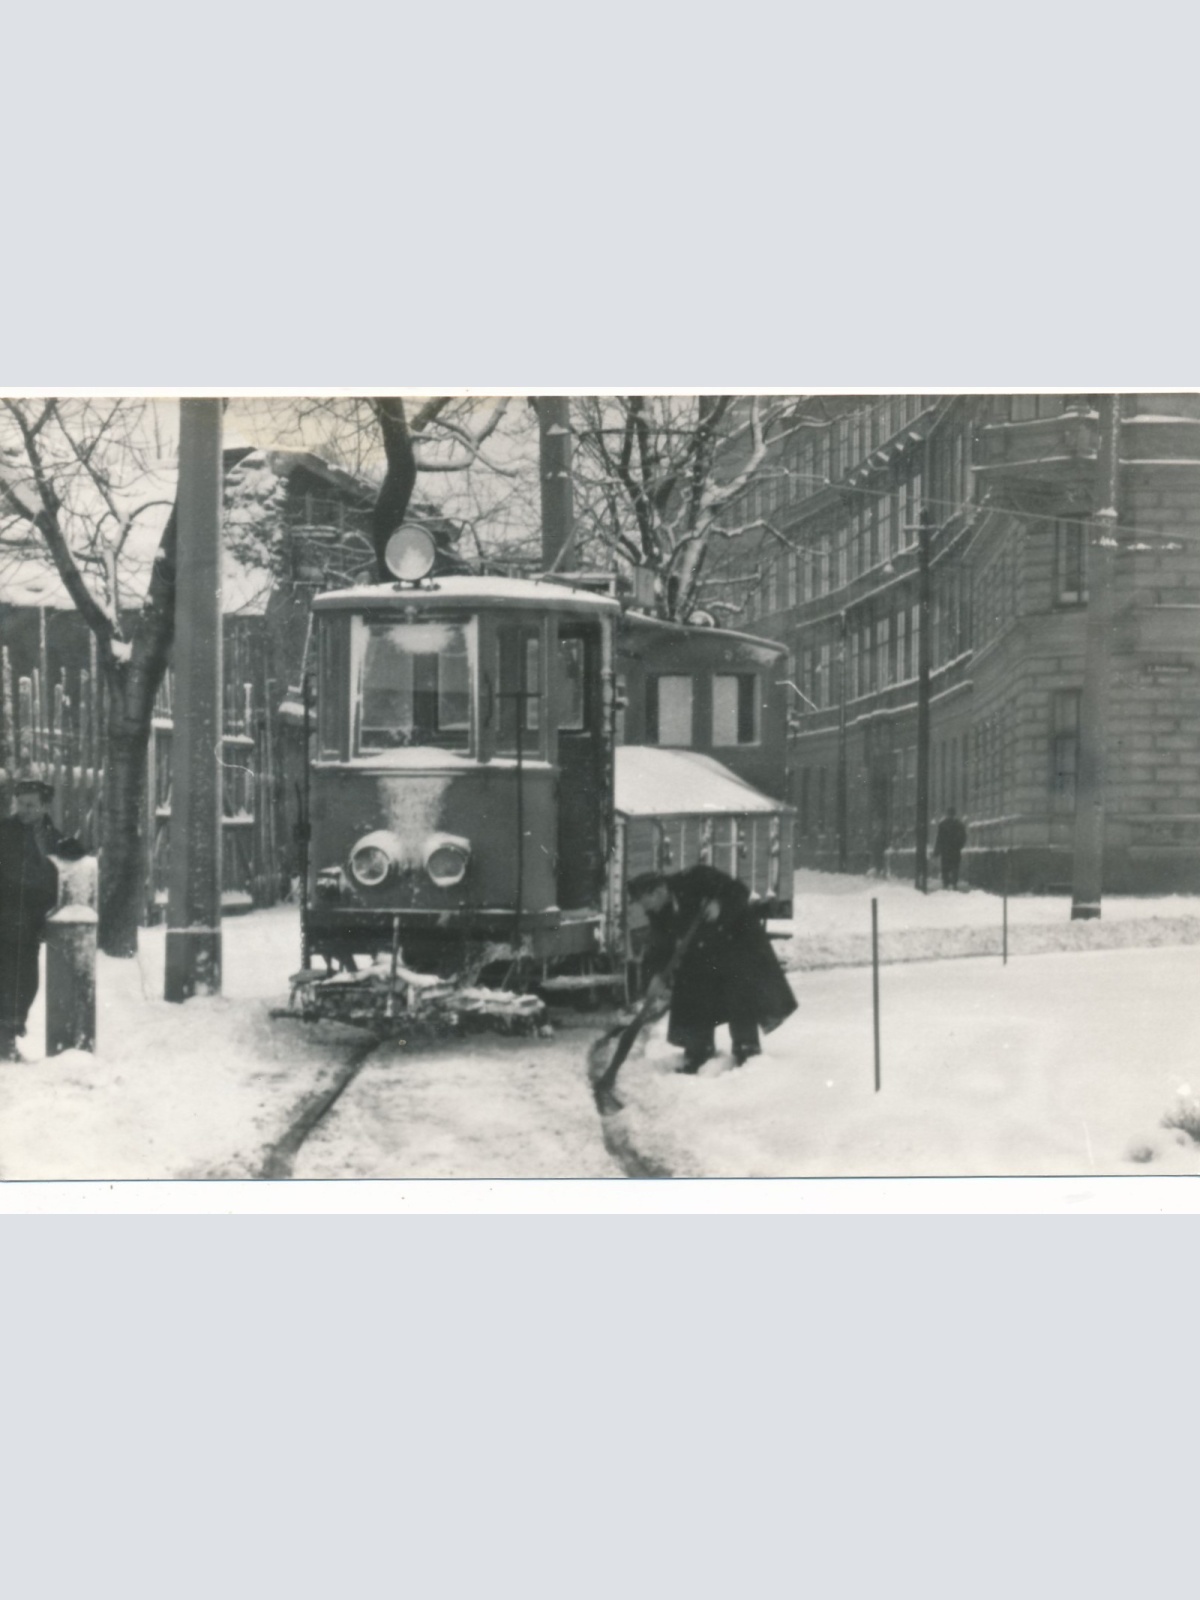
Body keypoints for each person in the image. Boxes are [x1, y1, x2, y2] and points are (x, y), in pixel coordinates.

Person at [627, 862, 797, 1074]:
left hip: (736, 942)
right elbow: (659, 947)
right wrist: (655, 976)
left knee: (739, 992)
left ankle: (747, 1053)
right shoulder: (659, 911)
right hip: (705, 950)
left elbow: (739, 891)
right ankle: (698, 1052)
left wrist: (720, 905)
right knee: (691, 989)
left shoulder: (696, 877)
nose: (646, 909)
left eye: (646, 902)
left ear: (659, 890)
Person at [0, 769, 71, 1061]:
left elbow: (69, 858)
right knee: (7, 976)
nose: (25, 810)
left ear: (43, 806)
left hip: (33, 919)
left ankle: (9, 1035)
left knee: (26, 980)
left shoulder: (51, 835)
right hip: (5, 913)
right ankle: (4, 1041)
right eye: (21, 804)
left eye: (31, 805)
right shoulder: (4, 831)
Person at [933, 806, 968, 890]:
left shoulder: (942, 824)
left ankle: (946, 884)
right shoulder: (959, 824)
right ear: (954, 814)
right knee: (955, 867)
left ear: (947, 814)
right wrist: (959, 846)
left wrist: (936, 851)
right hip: (955, 850)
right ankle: (954, 884)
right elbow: (963, 837)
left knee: (945, 867)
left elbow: (939, 839)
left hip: (945, 851)